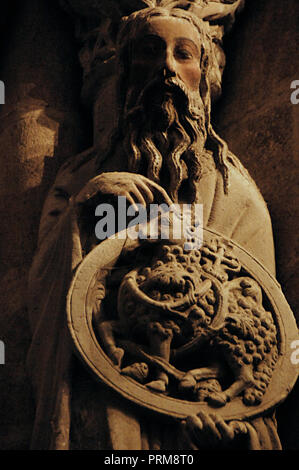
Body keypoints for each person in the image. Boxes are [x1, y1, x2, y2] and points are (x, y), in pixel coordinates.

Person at [27, 5, 280, 449]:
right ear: (125, 73)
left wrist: (235, 422)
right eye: (149, 52)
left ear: (204, 76)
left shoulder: (234, 192)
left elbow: (261, 328)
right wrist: (87, 207)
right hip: (104, 390)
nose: (166, 66)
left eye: (184, 54)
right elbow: (41, 298)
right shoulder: (81, 176)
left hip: (197, 403)